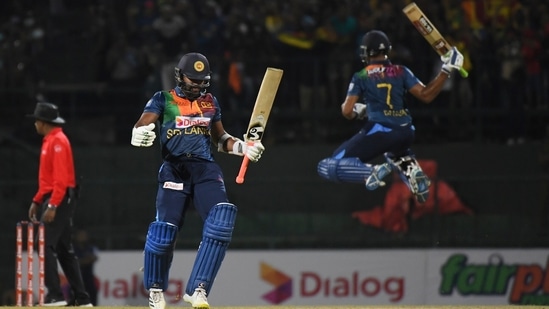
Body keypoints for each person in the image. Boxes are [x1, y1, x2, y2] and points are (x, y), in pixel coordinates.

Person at [130, 52, 265, 309]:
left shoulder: (210, 102)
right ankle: (156, 289)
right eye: (193, 80)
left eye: (202, 81)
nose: (197, 85)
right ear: (180, 77)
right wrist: (139, 133)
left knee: (222, 219)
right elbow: (142, 125)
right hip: (174, 169)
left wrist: (243, 149)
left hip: (204, 169)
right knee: (164, 234)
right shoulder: (164, 99)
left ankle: (199, 289)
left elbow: (221, 139)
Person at [317, 30, 464, 203]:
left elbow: (347, 112)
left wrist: (357, 111)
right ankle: (411, 171)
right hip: (406, 131)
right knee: (394, 152)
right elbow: (426, 95)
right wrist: (446, 69)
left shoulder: (362, 75)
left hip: (381, 129)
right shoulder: (401, 71)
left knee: (328, 165)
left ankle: (370, 172)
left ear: (366, 52)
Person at [26, 102, 93, 307]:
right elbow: (48, 180)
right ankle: (82, 299)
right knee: (64, 249)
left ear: (44, 122)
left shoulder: (58, 141)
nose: (35, 124)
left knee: (44, 243)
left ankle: (54, 295)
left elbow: (61, 180)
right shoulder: (50, 140)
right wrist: (37, 200)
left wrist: (53, 205)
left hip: (61, 197)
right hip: (56, 196)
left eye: (37, 120)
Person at [73, 229, 99, 306]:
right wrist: (85, 260)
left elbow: (94, 257)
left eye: (84, 235)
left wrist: (82, 261)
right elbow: (75, 262)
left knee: (92, 294)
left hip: (88, 277)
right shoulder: (73, 248)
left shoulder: (91, 247)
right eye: (80, 235)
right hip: (77, 278)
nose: (82, 237)